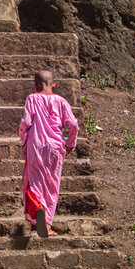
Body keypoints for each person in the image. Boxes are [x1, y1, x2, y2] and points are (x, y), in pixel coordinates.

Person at [18, 70, 79, 237]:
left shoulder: (32, 98)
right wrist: (70, 142)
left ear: (36, 86)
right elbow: (73, 124)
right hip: (55, 147)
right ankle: (47, 224)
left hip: (36, 146)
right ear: (54, 85)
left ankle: (38, 208)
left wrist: (22, 134)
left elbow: (27, 121)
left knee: (35, 182)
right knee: (52, 185)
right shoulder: (61, 101)